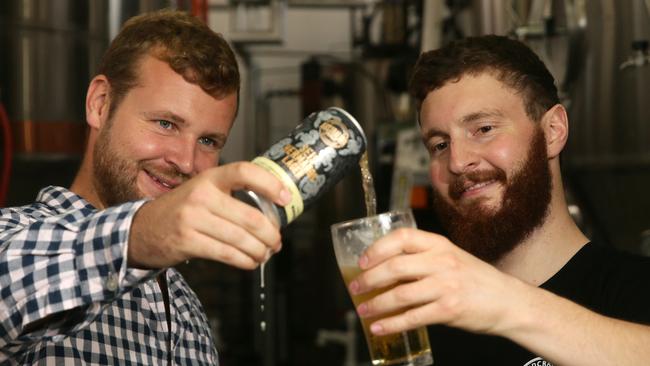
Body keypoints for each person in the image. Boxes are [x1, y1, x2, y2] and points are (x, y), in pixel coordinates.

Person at [0, 10, 290, 365]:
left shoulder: (186, 308)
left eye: (209, 141)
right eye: (166, 123)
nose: (186, 162)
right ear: (100, 104)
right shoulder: (11, 237)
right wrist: (139, 236)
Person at [348, 35, 650, 365]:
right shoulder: (415, 318)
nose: (458, 162)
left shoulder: (634, 290)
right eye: (439, 145)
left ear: (552, 131)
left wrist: (507, 305)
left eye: (484, 128)